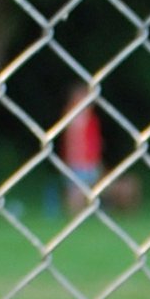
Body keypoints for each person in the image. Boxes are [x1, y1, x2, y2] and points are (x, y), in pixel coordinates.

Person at [57, 84, 105, 220]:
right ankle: (73, 218)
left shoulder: (90, 117)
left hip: (91, 160)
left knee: (87, 190)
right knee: (76, 191)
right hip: (79, 161)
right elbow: (74, 141)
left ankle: (82, 217)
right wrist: (74, 160)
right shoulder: (75, 116)